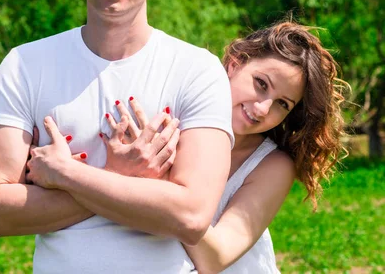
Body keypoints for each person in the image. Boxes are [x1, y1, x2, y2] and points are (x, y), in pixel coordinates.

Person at [0, 0, 234, 273]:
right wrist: (122, 177)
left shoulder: (197, 70)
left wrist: (69, 176)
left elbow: (191, 216)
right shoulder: (25, 64)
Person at [28, 21, 348, 273]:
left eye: (282, 104)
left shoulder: (272, 165)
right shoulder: (172, 122)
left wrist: (160, 188)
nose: (263, 109)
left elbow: (216, 257)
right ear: (235, 64)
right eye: (260, 84)